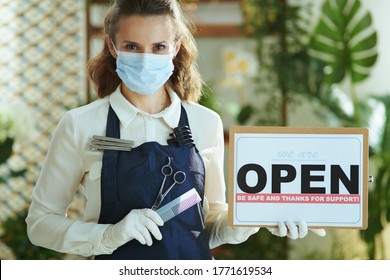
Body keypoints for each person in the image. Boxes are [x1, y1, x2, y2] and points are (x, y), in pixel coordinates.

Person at [26, 0, 325, 260]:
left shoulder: (206, 124)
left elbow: (208, 226)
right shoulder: (80, 125)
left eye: (159, 47)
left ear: (176, 47)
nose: (146, 59)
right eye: (132, 46)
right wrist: (109, 236)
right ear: (112, 46)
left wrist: (241, 224)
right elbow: (40, 225)